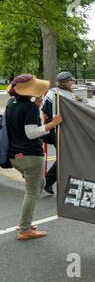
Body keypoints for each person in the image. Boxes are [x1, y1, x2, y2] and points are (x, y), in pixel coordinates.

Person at [5, 74, 63, 240]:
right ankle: (24, 229)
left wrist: (37, 108)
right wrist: (52, 124)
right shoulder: (28, 108)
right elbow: (30, 134)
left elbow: (19, 127)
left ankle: (25, 222)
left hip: (15, 156)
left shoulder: (11, 104)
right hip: (30, 156)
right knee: (32, 192)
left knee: (37, 186)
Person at [41, 72, 79, 195]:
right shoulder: (56, 94)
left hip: (59, 130)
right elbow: (47, 112)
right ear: (65, 82)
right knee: (65, 158)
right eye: (70, 81)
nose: (72, 83)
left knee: (66, 157)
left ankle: (49, 181)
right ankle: (48, 181)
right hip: (58, 130)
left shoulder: (57, 93)